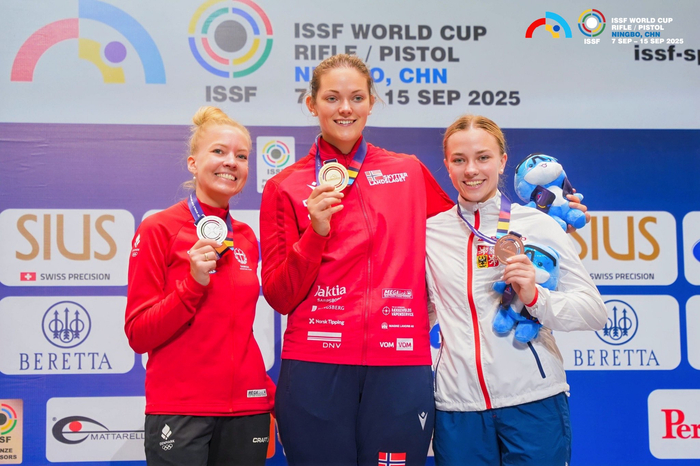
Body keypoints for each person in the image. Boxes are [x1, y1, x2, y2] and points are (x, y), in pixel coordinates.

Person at [259, 54, 454, 466]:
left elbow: (463, 235)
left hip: (399, 359)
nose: (345, 108)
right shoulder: (285, 185)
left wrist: (536, 220)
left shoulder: (408, 172)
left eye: (356, 97)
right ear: (312, 104)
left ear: (371, 103)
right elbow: (279, 295)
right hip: (316, 364)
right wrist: (316, 233)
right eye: (332, 98)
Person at [425, 115, 607, 466]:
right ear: (447, 164)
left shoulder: (538, 224)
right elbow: (423, 312)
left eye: (483, 157)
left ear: (502, 161)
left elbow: (593, 311)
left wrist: (536, 297)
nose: (471, 170)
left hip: (533, 401)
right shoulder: (430, 233)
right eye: (459, 160)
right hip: (457, 408)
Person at [125, 106, 274, 466]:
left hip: (247, 408)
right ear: (193, 163)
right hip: (181, 409)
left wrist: (267, 396)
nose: (231, 162)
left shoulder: (246, 237)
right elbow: (138, 335)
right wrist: (192, 284)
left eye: (241, 156)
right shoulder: (159, 229)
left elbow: (239, 329)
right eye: (219, 151)